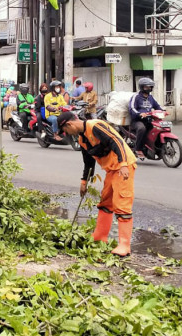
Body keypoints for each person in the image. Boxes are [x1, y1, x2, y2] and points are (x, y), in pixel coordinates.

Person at [57, 111, 137, 257]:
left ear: (69, 124)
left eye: (65, 131)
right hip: (111, 170)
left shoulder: (95, 126)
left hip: (123, 166)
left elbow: (117, 142)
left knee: (122, 202)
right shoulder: (82, 140)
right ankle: (100, 237)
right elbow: (88, 162)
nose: (67, 134)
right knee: (106, 201)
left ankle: (124, 245)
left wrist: (123, 163)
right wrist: (84, 182)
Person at [129, 78, 163, 159]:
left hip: (149, 120)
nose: (149, 89)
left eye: (150, 87)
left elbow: (157, 106)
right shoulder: (136, 96)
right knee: (142, 129)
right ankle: (138, 149)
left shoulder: (151, 97)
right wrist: (140, 114)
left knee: (158, 128)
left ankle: (157, 148)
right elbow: (132, 108)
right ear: (142, 87)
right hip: (137, 121)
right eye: (147, 87)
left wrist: (163, 111)